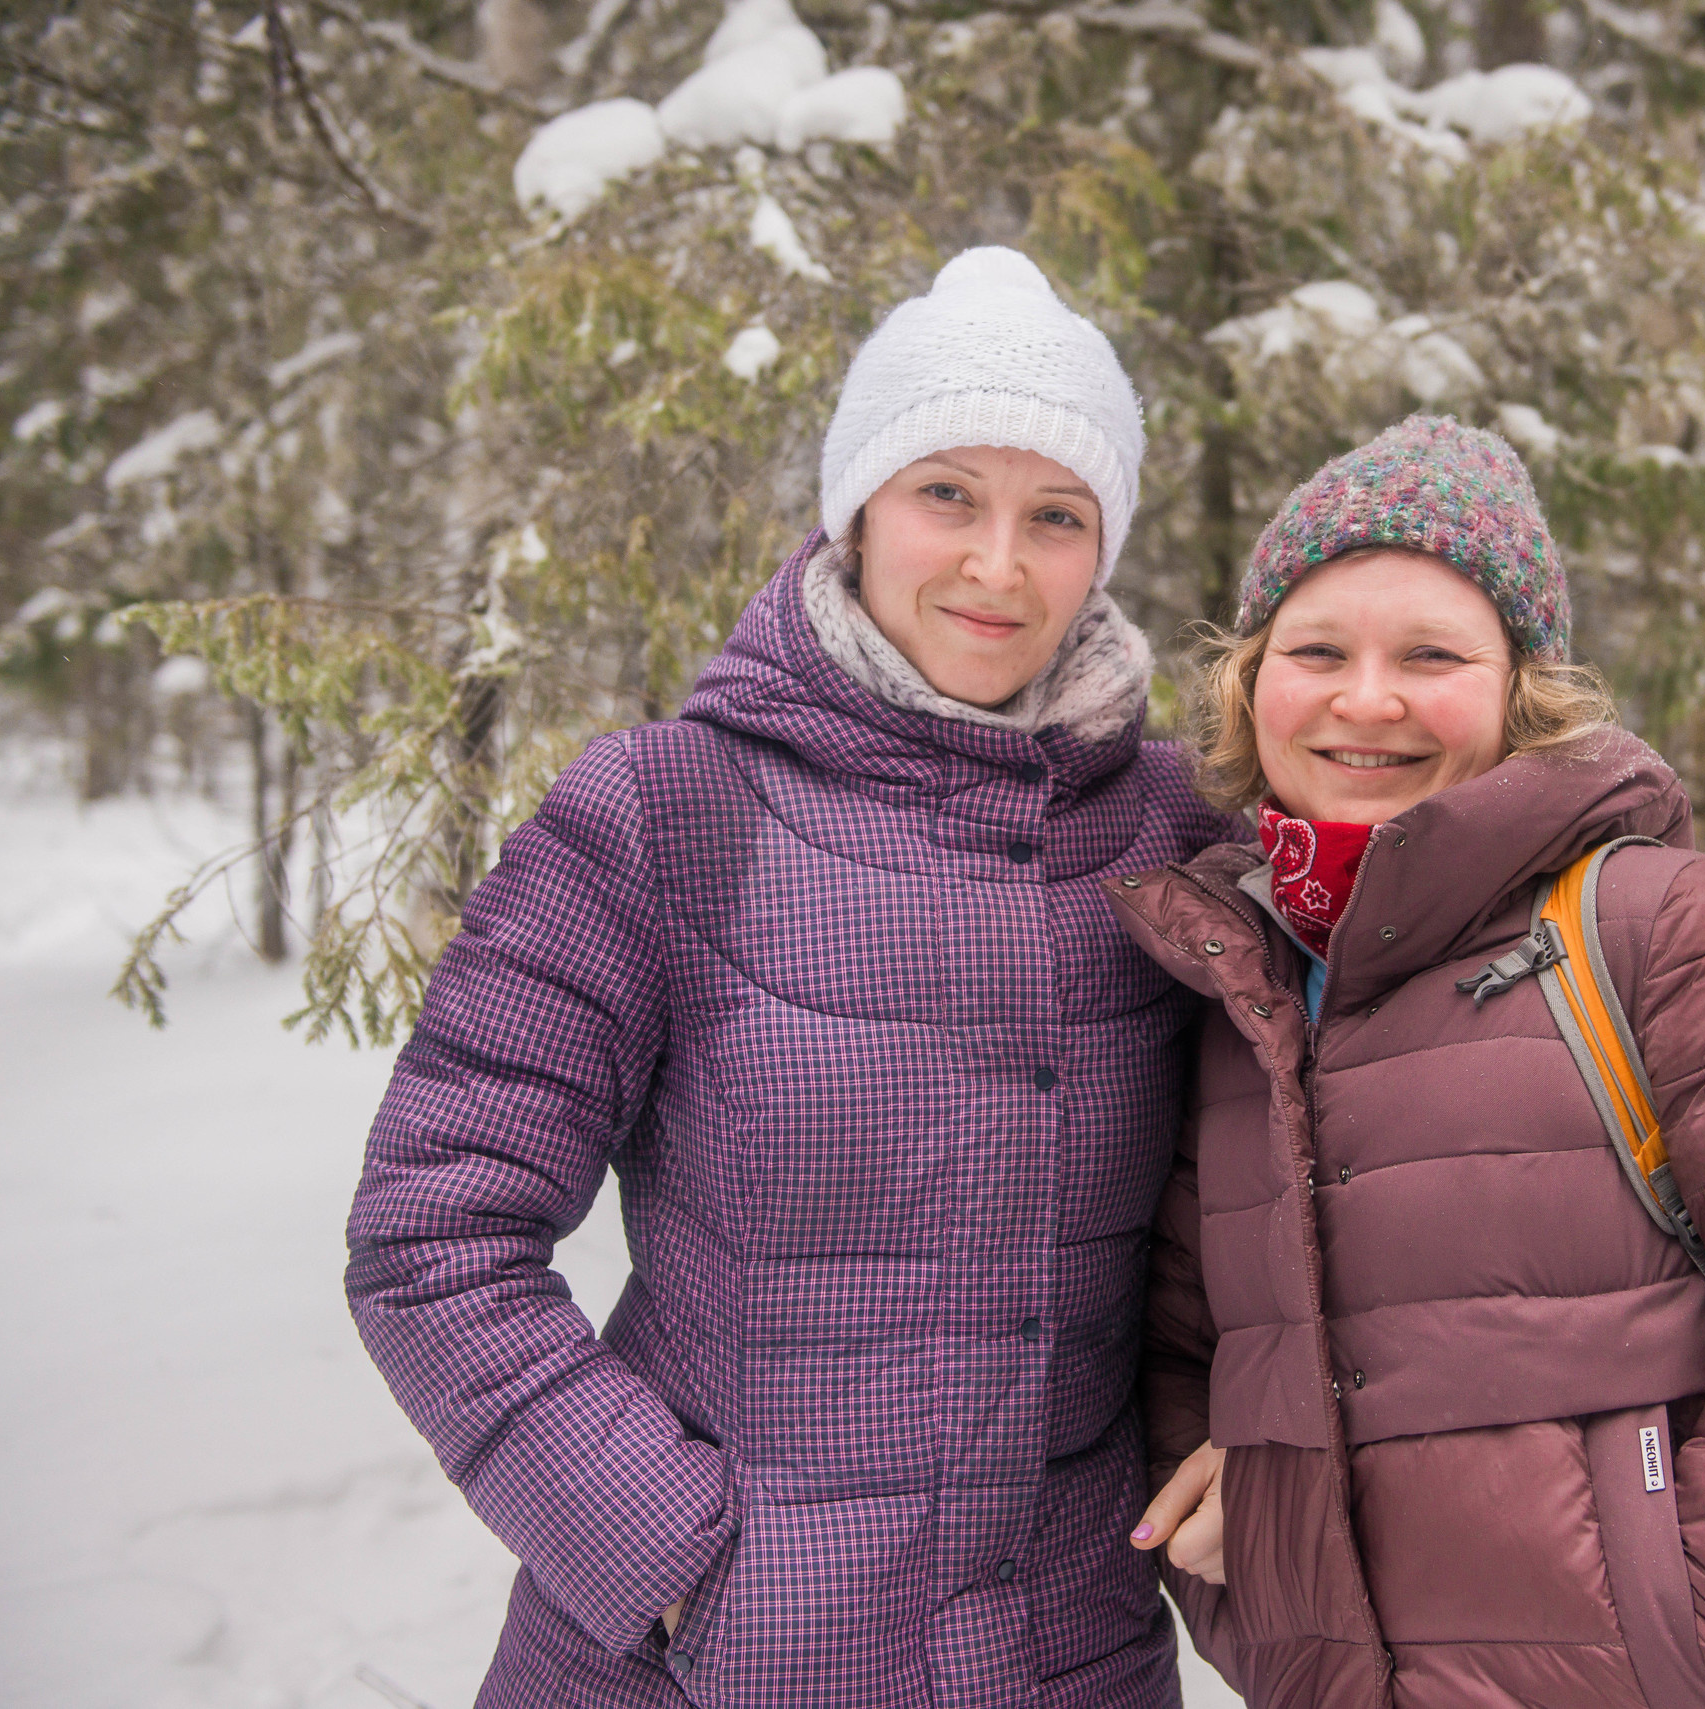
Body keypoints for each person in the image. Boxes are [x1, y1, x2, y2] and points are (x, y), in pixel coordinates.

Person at [346, 248, 1235, 1709]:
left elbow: (1326, 1183)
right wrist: (672, 1558)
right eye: (947, 492)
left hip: (1064, 1655)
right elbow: (434, 1233)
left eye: (1057, 514)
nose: (998, 563)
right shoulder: (666, 812)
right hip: (709, 1662)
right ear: (859, 507)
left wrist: (1263, 1433)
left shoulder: (1175, 834)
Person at [1110, 415, 1705, 1709]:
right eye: (1317, 650)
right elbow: (1183, 1356)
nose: (1366, 699)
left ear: (1522, 688)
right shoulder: (1246, 987)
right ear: (1251, 681)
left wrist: (1694, 1637)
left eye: (1432, 654)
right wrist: (1265, 1600)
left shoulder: (1661, 928)